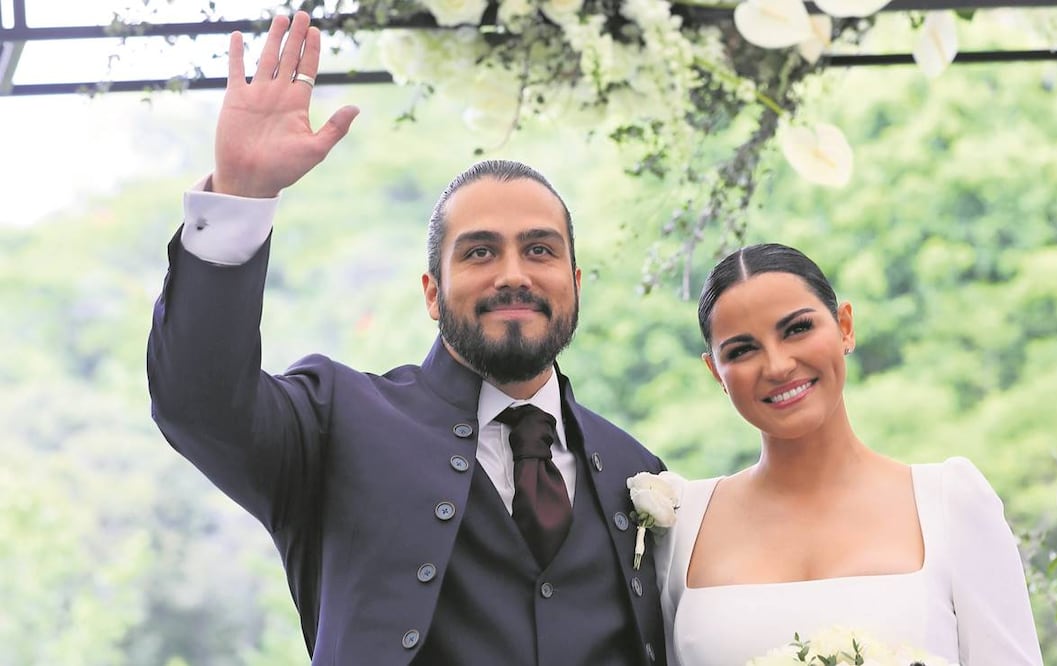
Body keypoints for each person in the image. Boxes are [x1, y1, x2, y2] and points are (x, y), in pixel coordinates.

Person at [146, 11, 667, 666]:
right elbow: (198, 405)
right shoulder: (333, 421)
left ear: (574, 282)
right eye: (479, 252)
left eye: (539, 249)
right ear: (430, 292)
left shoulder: (636, 470)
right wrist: (241, 197)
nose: (513, 274)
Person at [655, 243, 1043, 665]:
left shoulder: (950, 503)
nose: (778, 365)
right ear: (716, 372)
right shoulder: (681, 522)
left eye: (797, 329)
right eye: (742, 350)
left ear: (845, 327)